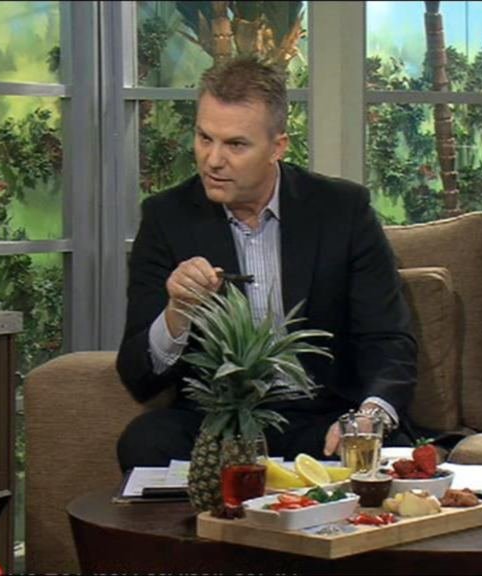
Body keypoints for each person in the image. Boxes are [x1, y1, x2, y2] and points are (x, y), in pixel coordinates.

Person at [116, 55, 417, 472]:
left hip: (322, 418)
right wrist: (177, 314)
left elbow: (388, 338)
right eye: (204, 138)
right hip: (218, 425)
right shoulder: (166, 218)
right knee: (145, 441)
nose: (212, 160)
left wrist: (371, 413)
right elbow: (137, 375)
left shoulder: (342, 210)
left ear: (278, 147)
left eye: (235, 144)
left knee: (389, 449)